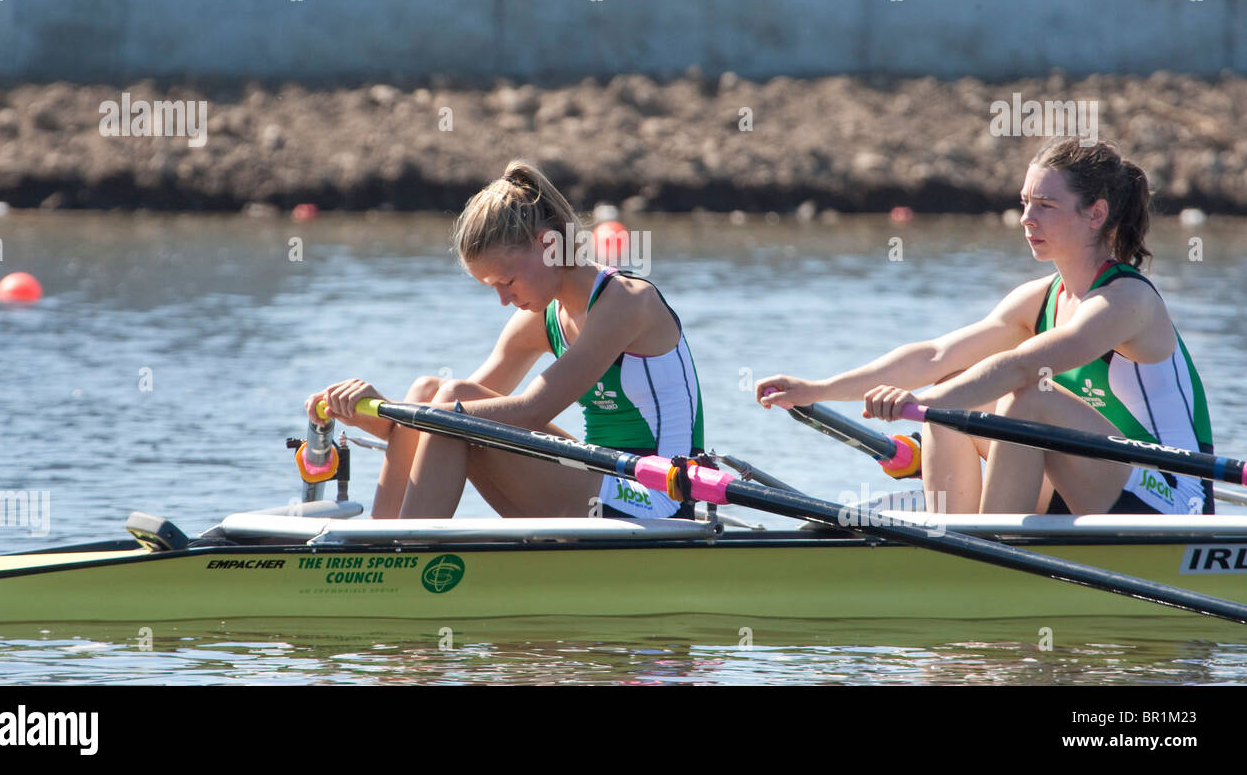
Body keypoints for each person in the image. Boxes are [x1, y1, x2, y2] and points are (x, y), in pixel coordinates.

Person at [756, 137, 1214, 516]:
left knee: (1026, 397)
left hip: (1175, 499)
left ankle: (990, 554)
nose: (1027, 219)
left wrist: (922, 404)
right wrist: (817, 389)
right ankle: (953, 541)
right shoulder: (1040, 298)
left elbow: (1021, 367)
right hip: (1095, 482)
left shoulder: (1127, 299)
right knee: (954, 386)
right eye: (1025, 203)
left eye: (1046, 205)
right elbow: (934, 355)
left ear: (1095, 214)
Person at [306, 161, 705, 520]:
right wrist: (370, 412)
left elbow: (531, 410)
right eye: (492, 287)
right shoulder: (540, 319)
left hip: (661, 494)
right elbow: (436, 428)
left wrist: (413, 415)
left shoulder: (627, 302)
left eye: (507, 281)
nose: (503, 300)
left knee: (450, 403)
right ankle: (379, 544)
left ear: (549, 245)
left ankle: (404, 556)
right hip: (600, 476)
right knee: (431, 390)